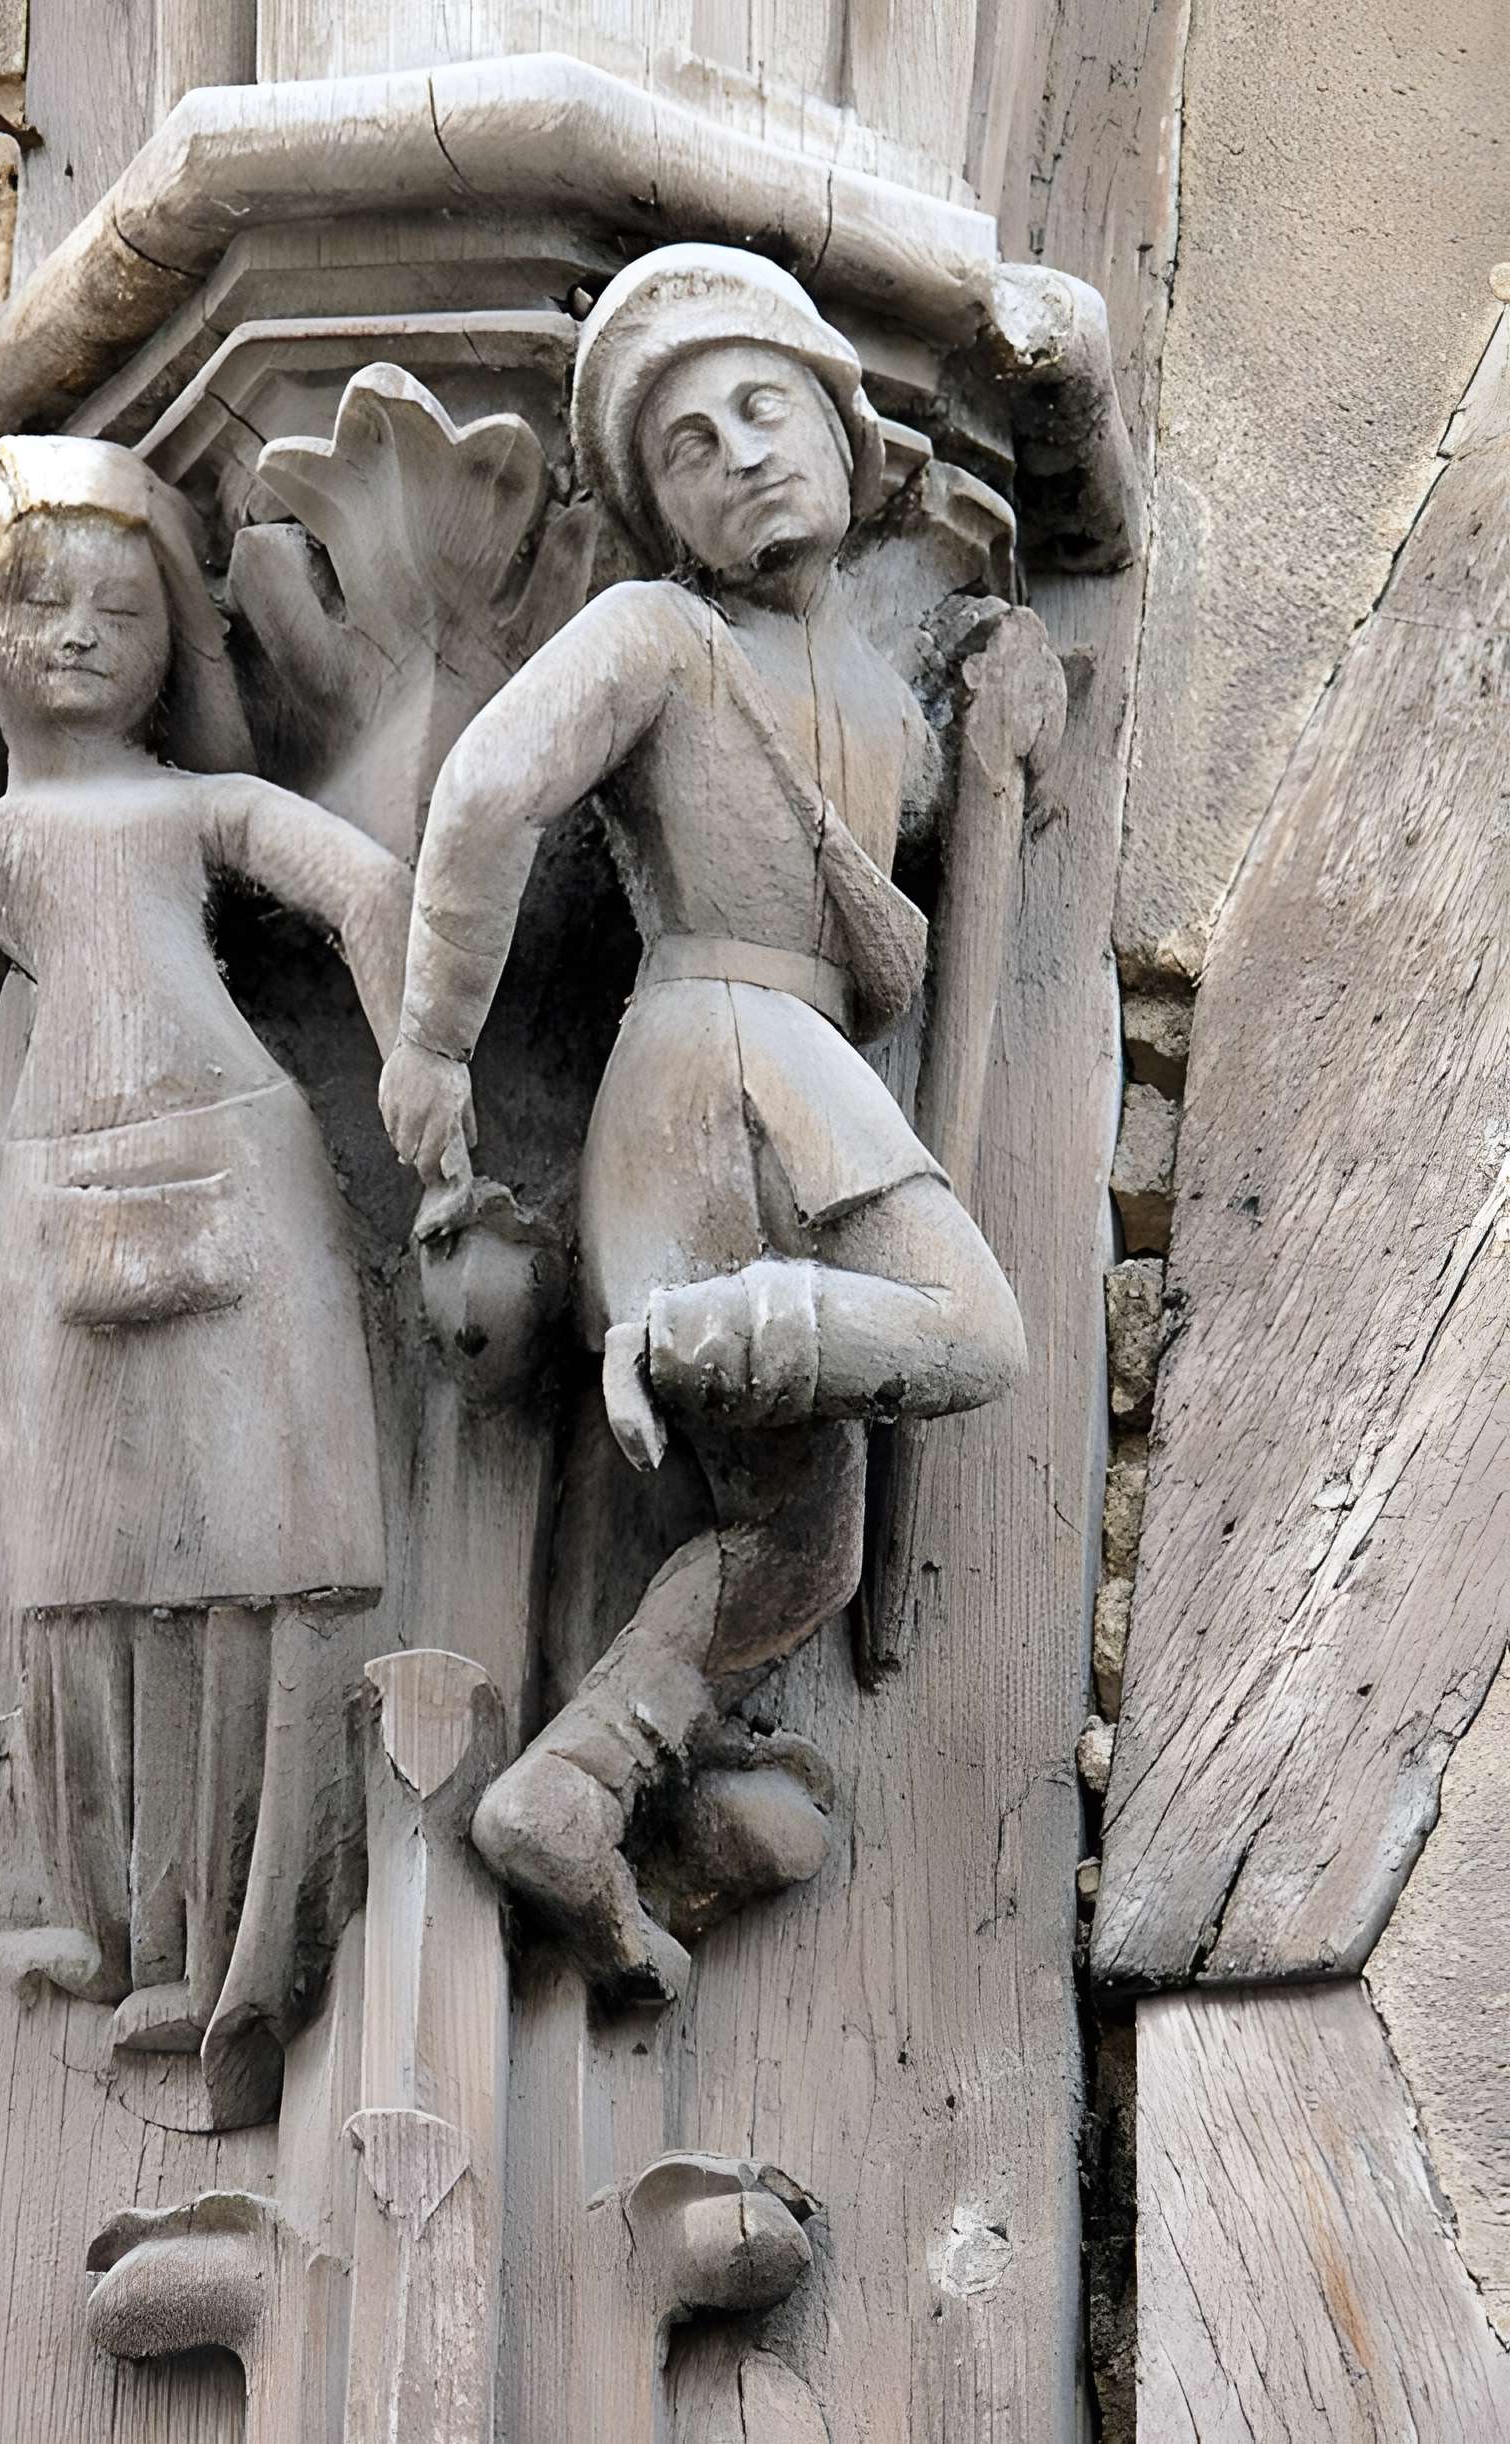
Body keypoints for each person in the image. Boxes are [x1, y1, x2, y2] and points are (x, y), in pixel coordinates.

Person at [379, 245, 1030, 2001]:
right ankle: (706, 1333)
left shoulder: (891, 700)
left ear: (842, 421)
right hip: (717, 1064)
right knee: (976, 1335)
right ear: (657, 513)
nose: (738, 452)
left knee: (800, 1551)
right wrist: (432, 1042)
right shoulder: (658, 635)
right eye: (685, 443)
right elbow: (493, 788)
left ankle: (572, 1787)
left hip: (798, 1066)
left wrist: (998, 772)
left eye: (765, 408)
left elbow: (910, 960)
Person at [0, 435, 412, 2123]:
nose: (84, 633)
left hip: (240, 1165)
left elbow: (369, 888)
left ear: (179, 630)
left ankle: (256, 1940)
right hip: (53, 1203)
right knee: (85, 1580)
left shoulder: (199, 806)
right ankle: (122, 1930)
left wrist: (425, 1068)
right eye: (42, 602)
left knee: (271, 1553)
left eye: (122, 605)